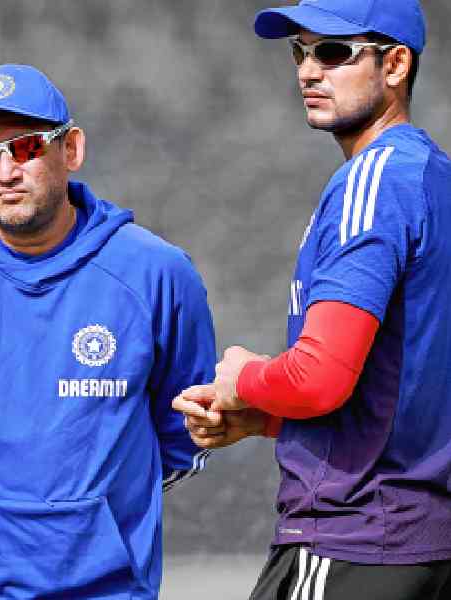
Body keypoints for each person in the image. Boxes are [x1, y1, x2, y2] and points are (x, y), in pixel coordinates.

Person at [0, 63, 216, 599]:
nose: (6, 171)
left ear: (71, 149)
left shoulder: (158, 274)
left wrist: (100, 519)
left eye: (27, 147)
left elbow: (185, 430)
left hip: (107, 590)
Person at [172, 1, 451, 598]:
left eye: (332, 52)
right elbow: (402, 391)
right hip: (421, 547)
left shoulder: (374, 183)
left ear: (396, 64)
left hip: (355, 540)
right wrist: (263, 420)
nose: (306, 70)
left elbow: (318, 379)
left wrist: (244, 378)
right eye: (300, 51)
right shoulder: (433, 179)